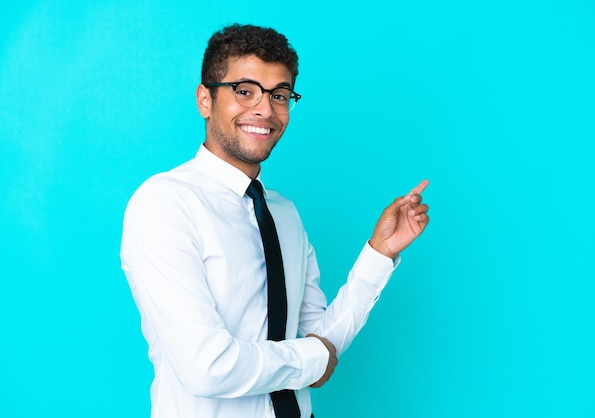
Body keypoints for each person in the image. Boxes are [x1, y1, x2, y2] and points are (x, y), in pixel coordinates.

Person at [120, 23, 430, 418]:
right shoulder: (164, 204)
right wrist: (313, 359)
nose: (265, 109)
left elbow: (321, 337)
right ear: (205, 99)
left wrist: (380, 254)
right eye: (244, 90)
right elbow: (208, 367)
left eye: (279, 95)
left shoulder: (283, 213)